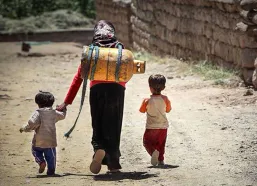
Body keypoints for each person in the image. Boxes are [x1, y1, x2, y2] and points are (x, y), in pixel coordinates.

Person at [56, 20, 126, 174]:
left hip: (97, 91)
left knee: (98, 122)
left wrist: (66, 102)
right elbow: (127, 73)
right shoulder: (119, 48)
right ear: (112, 32)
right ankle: (113, 164)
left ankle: (98, 148)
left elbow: (78, 77)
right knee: (114, 126)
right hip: (117, 91)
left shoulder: (92, 50)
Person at [19, 91, 66, 175]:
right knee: (52, 157)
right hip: (50, 142)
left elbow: (32, 123)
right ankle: (51, 171)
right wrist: (63, 109)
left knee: (35, 151)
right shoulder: (54, 113)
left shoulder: (38, 113)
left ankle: (41, 162)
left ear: (38, 103)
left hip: (38, 141)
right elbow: (62, 115)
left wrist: (25, 128)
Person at [139, 74, 172, 166]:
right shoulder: (165, 99)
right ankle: (161, 160)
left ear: (150, 87)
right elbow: (168, 110)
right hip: (163, 127)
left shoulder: (147, 100)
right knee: (161, 144)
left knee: (147, 142)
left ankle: (153, 153)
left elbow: (141, 110)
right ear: (164, 87)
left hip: (151, 127)